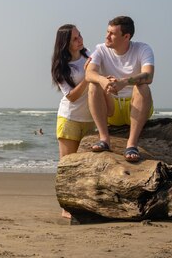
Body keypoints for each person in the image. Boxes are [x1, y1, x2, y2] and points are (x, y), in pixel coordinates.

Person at [85, 16, 154, 162]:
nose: (107, 36)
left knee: (142, 86)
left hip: (135, 107)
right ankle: (104, 139)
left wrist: (125, 82)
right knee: (93, 85)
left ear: (126, 36)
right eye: (107, 31)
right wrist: (103, 80)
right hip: (112, 109)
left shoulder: (143, 49)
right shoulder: (101, 49)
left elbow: (148, 75)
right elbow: (89, 73)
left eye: (112, 33)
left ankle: (131, 144)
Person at [51, 24, 94, 218]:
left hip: (90, 119)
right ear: (65, 43)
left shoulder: (89, 56)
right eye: (75, 38)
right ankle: (65, 208)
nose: (80, 39)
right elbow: (72, 97)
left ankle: (84, 204)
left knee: (87, 166)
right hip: (69, 118)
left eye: (80, 35)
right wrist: (87, 77)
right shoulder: (61, 67)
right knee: (67, 166)